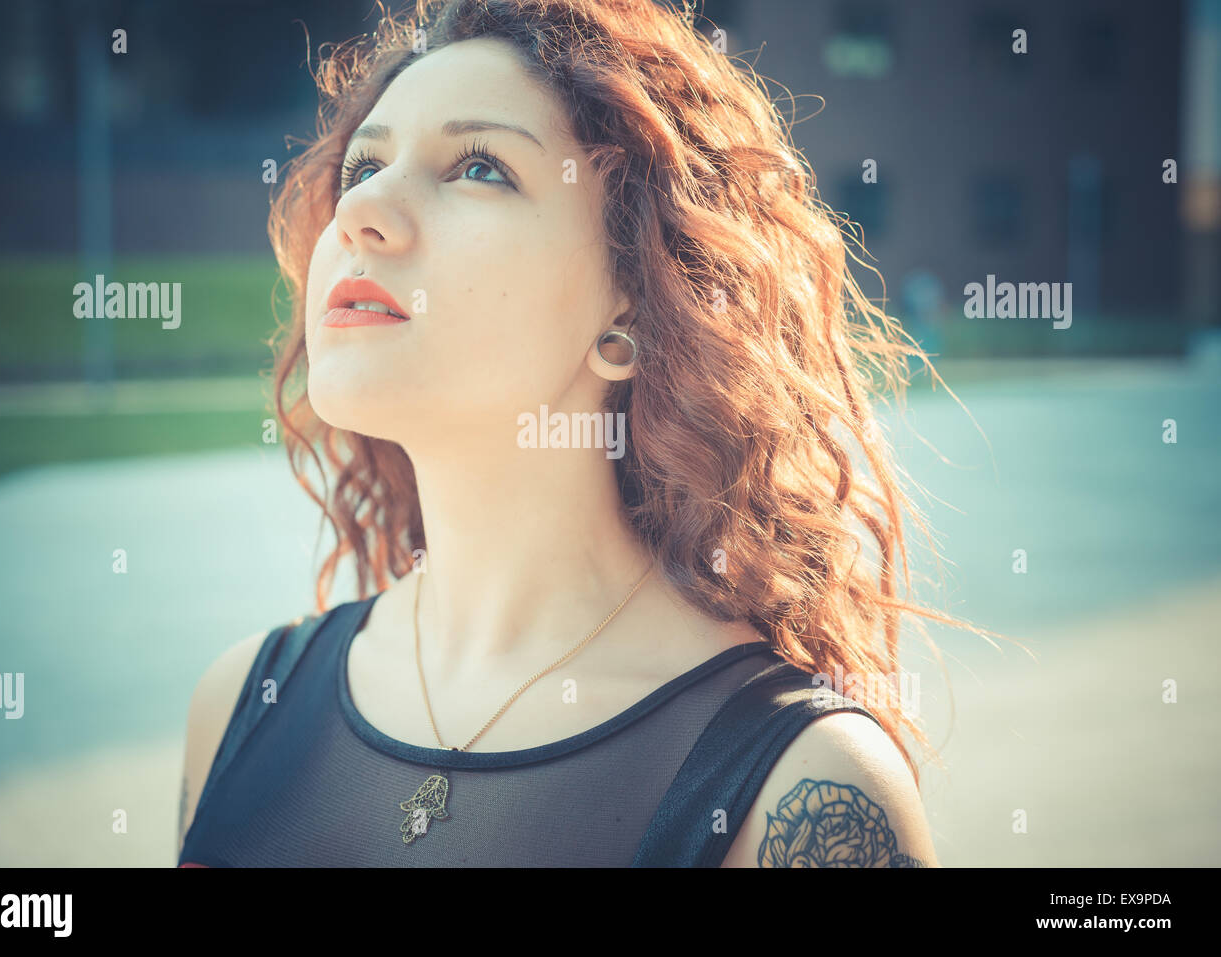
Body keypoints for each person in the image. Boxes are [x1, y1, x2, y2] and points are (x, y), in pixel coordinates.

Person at [178, 0, 989, 867]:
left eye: (478, 167)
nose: (364, 209)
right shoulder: (239, 706)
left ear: (633, 301)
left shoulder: (798, 788)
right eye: (363, 165)